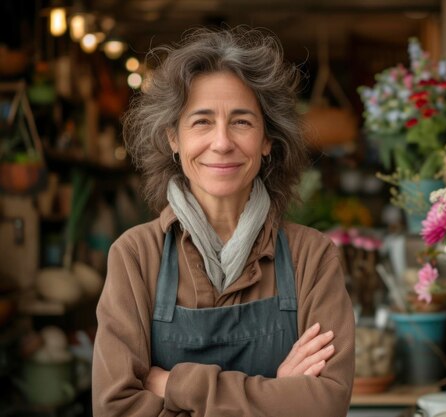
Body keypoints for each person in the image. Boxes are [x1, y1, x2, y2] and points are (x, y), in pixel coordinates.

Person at [92, 27, 355, 417]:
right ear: (173, 139)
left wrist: (173, 384)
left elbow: (327, 404)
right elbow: (116, 408)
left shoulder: (310, 257)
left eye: (242, 122)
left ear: (267, 140)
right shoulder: (136, 257)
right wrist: (278, 393)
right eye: (201, 122)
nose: (221, 142)